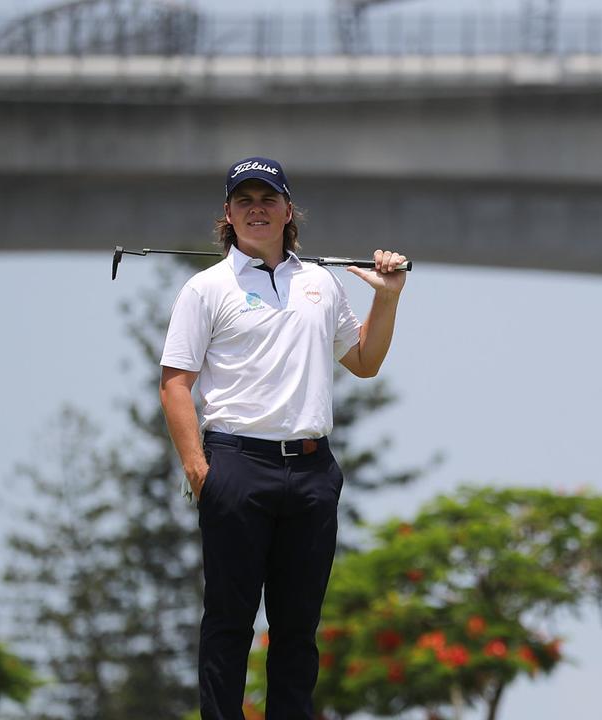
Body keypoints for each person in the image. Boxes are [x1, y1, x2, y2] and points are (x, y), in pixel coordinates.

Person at [159, 156, 407, 718]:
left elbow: (364, 360)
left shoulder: (319, 282)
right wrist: (200, 470)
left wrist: (386, 297)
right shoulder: (206, 289)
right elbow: (176, 384)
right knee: (229, 621)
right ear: (227, 214)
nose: (257, 210)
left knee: (297, 630)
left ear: (288, 210)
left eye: (268, 199)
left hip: (314, 471)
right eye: (244, 201)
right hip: (236, 466)